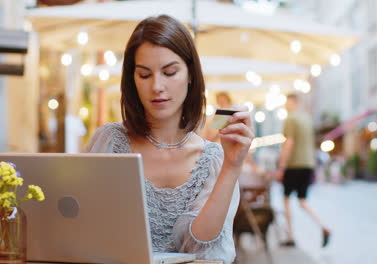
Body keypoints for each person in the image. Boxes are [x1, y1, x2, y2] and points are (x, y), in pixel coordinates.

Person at [85, 15, 254, 263]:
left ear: (190, 75)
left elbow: (198, 248)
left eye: (169, 72)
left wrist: (232, 166)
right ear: (132, 80)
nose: (157, 86)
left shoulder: (214, 160)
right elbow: (83, 227)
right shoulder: (109, 142)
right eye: (144, 75)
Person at [275, 94, 331, 247]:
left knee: (286, 199)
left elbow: (289, 143)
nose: (285, 106)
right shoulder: (307, 119)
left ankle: (291, 236)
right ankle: (323, 226)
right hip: (308, 164)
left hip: (294, 165)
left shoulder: (290, 118)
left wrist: (281, 166)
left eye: (286, 102)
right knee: (303, 201)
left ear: (292, 102)